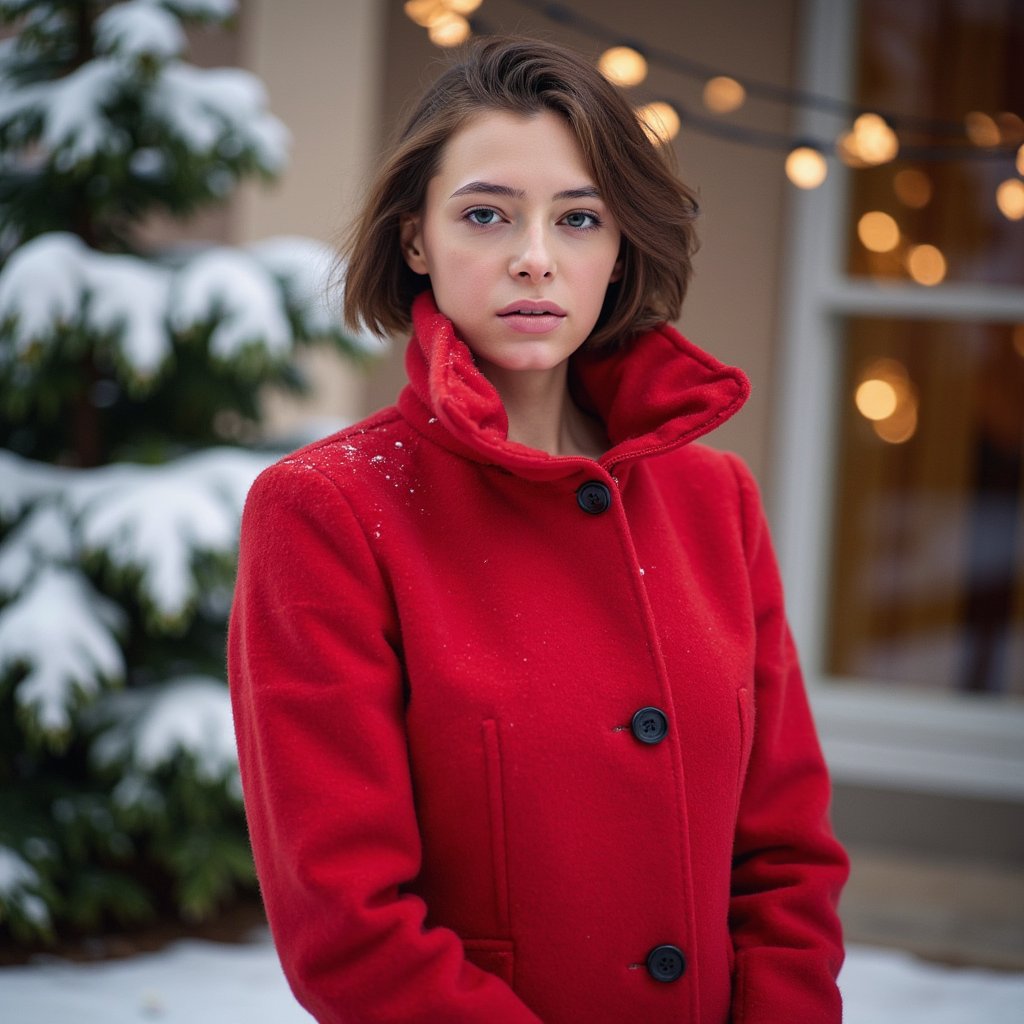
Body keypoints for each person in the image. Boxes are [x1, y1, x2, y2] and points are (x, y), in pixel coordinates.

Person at [228, 36, 849, 1024]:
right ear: (415, 238)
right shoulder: (328, 509)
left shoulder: (713, 500)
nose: (534, 256)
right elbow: (345, 921)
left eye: (579, 218)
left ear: (618, 250)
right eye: (485, 214)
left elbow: (785, 859)